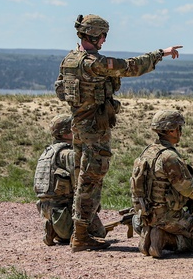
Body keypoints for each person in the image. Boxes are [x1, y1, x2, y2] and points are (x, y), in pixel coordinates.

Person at [55, 14, 182, 252]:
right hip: (95, 130)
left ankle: (83, 230)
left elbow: (61, 91)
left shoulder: (69, 60)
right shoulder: (95, 63)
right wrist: (161, 53)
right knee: (89, 182)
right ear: (95, 35)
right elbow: (132, 66)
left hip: (78, 128)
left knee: (81, 178)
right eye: (103, 35)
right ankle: (81, 236)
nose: (104, 40)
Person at [131, 109, 193, 259]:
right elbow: (186, 187)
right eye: (179, 128)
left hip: (144, 216)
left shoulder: (147, 152)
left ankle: (150, 234)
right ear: (171, 130)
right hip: (167, 216)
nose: (181, 132)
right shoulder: (169, 157)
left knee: (135, 221)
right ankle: (166, 240)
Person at [33, 114, 109, 246]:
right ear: (67, 133)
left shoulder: (47, 153)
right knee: (99, 233)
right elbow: (80, 183)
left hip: (47, 210)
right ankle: (68, 234)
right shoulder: (67, 154)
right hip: (64, 212)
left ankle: (55, 231)